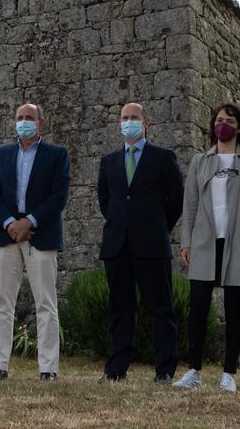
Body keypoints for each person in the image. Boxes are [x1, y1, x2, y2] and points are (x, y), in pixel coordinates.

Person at [174, 103, 240, 393]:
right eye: (218, 120)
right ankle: (194, 371)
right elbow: (190, 205)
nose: (222, 125)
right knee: (198, 307)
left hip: (238, 243)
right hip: (204, 241)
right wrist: (186, 242)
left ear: (239, 128)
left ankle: (229, 374)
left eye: (228, 121)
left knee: (233, 309)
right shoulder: (200, 161)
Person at [97, 102, 184, 383]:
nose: (128, 122)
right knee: (119, 309)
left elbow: (177, 199)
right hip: (117, 245)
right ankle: (116, 369)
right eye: (124, 118)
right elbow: (105, 201)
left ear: (146, 122)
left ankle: (165, 370)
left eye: (134, 117)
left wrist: (158, 226)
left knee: (160, 308)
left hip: (152, 244)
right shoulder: (108, 162)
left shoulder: (163, 158)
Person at [0, 103, 71, 383]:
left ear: (40, 123)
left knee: (45, 302)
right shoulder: (2, 154)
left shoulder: (57, 155)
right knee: (2, 302)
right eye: (19, 117)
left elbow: (59, 196)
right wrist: (11, 223)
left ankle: (48, 369)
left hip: (40, 235)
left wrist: (29, 222)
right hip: (7, 234)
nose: (23, 122)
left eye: (29, 118)